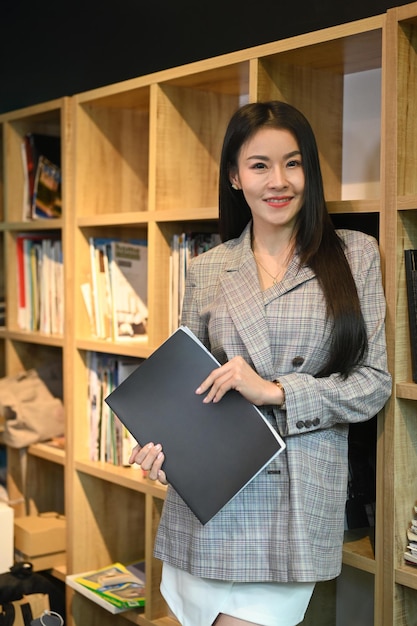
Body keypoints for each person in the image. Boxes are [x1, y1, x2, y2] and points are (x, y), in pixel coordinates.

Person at [129, 100, 392, 626]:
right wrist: (162, 451)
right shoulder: (208, 267)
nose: (279, 181)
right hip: (210, 503)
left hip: (294, 503)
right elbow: (187, 387)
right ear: (234, 176)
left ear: (309, 170)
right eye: (259, 165)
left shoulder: (355, 254)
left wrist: (275, 390)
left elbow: (374, 384)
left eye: (293, 163)